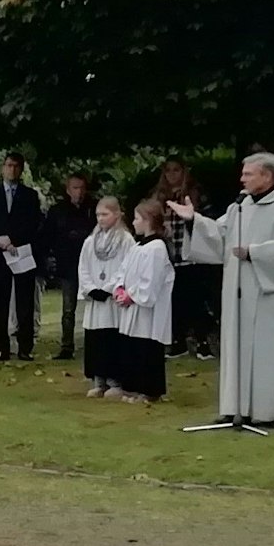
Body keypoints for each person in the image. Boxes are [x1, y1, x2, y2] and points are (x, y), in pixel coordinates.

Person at [169, 151, 274, 427]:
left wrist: (254, 253)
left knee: (268, 351)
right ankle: (237, 407)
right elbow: (220, 235)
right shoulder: (240, 207)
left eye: (248, 173)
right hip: (238, 294)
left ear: (266, 176)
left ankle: (270, 410)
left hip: (269, 294)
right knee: (238, 346)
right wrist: (193, 220)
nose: (241, 178)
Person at [114, 200, 175, 404]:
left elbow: (151, 280)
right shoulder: (138, 246)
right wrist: (120, 288)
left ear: (148, 220)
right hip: (132, 307)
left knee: (147, 348)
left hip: (147, 310)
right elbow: (123, 271)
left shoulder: (157, 248)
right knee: (132, 346)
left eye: (137, 218)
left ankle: (150, 391)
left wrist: (132, 295)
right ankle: (132, 387)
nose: (134, 222)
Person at [152, 158, 214, 359]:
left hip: (191, 251)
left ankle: (203, 342)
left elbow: (208, 220)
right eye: (168, 171)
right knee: (173, 299)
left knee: (195, 299)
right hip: (170, 252)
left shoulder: (195, 193)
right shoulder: (159, 196)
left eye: (176, 170)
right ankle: (178, 341)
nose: (172, 175)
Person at [0, 154, 44, 361]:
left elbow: (34, 223)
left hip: (21, 252)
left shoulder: (29, 196)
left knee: (24, 301)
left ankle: (25, 347)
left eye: (17, 166)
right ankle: (2, 347)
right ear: (3, 168)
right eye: (9, 166)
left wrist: (13, 239)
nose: (12, 170)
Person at [77, 196, 134, 398]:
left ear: (117, 214)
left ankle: (115, 381)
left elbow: (127, 267)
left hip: (112, 301)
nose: (101, 219)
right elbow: (83, 268)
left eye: (105, 214)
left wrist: (110, 288)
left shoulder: (126, 240)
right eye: (98, 215)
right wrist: (91, 288)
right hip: (96, 300)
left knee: (112, 338)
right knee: (96, 339)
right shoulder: (91, 242)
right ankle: (98, 380)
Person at [39, 173, 94, 361]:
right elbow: (47, 236)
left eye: (81, 188)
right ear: (68, 190)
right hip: (68, 264)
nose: (78, 192)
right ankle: (67, 346)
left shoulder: (92, 209)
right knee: (68, 308)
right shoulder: (58, 211)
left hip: (92, 265)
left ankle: (94, 344)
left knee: (94, 306)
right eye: (75, 188)